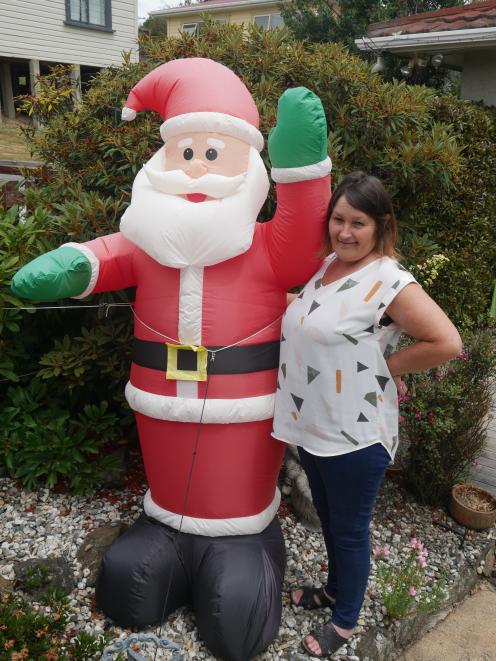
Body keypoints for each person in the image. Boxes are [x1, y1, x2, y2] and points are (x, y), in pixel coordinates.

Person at [11, 58, 332, 661]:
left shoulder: (263, 246)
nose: (197, 171)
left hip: (244, 429)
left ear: (249, 163)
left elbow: (300, 235)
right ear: (162, 159)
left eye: (214, 155)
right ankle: (167, 527)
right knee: (130, 585)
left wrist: (302, 170)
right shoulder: (147, 240)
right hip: (159, 422)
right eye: (186, 153)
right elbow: (103, 258)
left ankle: (243, 540)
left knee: (235, 613)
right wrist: (69, 266)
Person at [272, 171, 462, 658]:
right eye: (338, 219)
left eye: (358, 222)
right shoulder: (331, 265)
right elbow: (320, 314)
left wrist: (384, 366)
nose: (345, 231)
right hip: (313, 423)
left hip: (355, 434)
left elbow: (446, 342)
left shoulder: (389, 279)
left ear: (381, 226)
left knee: (349, 528)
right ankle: (334, 590)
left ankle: (346, 621)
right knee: (331, 520)